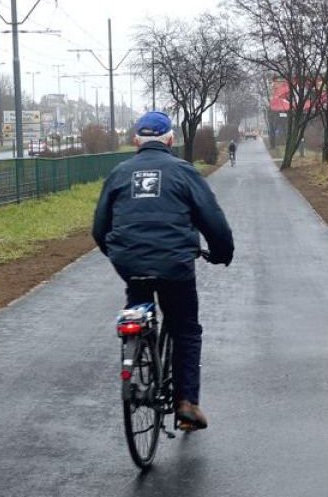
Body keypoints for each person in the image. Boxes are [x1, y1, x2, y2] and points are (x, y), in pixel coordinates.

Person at [92, 111, 234, 431]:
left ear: (135, 141)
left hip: (129, 264)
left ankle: (138, 353)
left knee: (138, 305)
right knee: (185, 328)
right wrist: (222, 252)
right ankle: (186, 405)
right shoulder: (184, 172)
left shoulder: (118, 174)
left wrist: (118, 255)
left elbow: (100, 228)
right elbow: (212, 220)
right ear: (171, 140)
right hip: (175, 266)